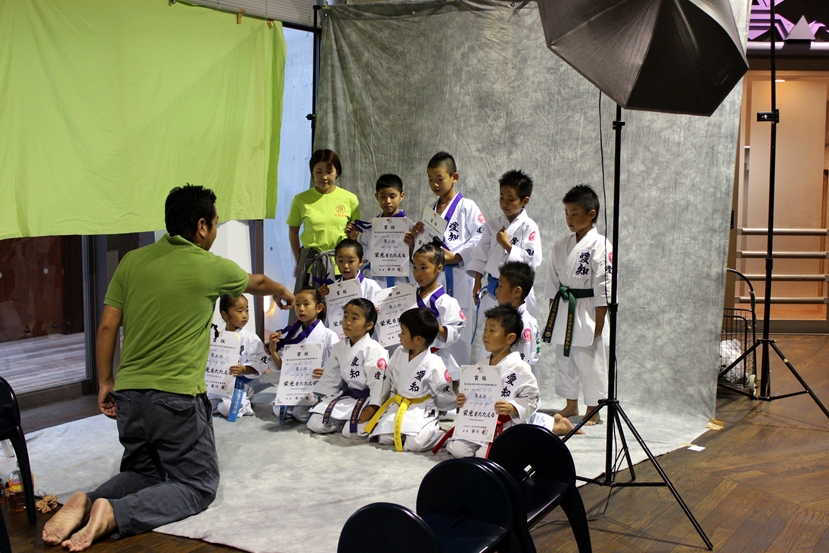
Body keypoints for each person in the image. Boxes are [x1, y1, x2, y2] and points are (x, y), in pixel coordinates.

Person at [42, 185, 294, 551]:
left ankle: (87, 502)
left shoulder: (132, 261)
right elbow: (256, 282)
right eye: (216, 223)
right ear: (202, 226)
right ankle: (113, 513)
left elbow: (107, 327)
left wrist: (106, 382)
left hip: (130, 397)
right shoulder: (210, 266)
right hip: (176, 399)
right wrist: (282, 290)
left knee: (143, 472)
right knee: (197, 486)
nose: (216, 231)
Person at [542, 184, 611, 426]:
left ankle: (593, 407)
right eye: (566, 213)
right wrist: (553, 312)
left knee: (589, 359)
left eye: (574, 213)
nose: (569, 219)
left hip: (588, 308)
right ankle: (571, 403)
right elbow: (552, 282)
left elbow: (604, 283)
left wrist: (600, 319)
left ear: (591, 214)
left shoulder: (601, 244)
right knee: (565, 357)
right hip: (564, 307)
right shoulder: (561, 245)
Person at [406, 152, 484, 367]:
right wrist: (415, 239)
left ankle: (457, 383)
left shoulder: (467, 206)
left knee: (458, 332)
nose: (435, 184)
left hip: (458, 277)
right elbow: (425, 249)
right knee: (431, 328)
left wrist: (457, 255)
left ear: (454, 177)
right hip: (434, 280)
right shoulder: (430, 211)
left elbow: (481, 236)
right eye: (430, 179)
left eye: (439, 179)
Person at [445, 305, 539, 459]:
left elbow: (532, 398)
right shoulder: (481, 365)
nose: (486, 335)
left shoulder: (520, 367)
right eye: (485, 330)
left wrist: (512, 408)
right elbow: (470, 392)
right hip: (479, 422)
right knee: (458, 450)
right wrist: (463, 399)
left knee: (486, 455)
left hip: (506, 426)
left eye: (492, 330)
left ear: (510, 338)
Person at [366, 308, 456, 452]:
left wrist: (441, 408)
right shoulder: (399, 352)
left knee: (415, 445)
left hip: (421, 408)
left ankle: (440, 434)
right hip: (400, 404)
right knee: (385, 438)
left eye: (403, 332)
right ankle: (409, 431)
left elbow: (443, 392)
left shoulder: (434, 363)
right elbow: (391, 380)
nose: (399, 335)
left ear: (418, 340)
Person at [306, 299, 390, 438]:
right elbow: (331, 377)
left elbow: (378, 385)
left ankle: (375, 418)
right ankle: (342, 421)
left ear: (369, 325)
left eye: (354, 318)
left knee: (351, 432)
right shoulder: (339, 347)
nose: (347, 322)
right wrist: (323, 398)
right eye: (345, 317)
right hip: (349, 396)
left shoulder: (375, 350)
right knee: (315, 423)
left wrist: (372, 409)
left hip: (368, 399)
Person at [468, 170, 542, 318]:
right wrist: (477, 281)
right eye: (501, 197)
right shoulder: (492, 224)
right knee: (492, 328)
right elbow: (480, 255)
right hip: (493, 290)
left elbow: (531, 260)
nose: (504, 203)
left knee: (516, 328)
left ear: (525, 201)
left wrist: (507, 245)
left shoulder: (529, 226)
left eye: (511, 199)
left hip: (517, 294)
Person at [287, 149, 361, 294]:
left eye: (329, 171)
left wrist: (353, 236)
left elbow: (354, 236)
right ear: (312, 172)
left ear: (337, 172)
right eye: (319, 172)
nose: (324, 177)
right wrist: (299, 261)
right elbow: (293, 232)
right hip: (311, 267)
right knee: (310, 306)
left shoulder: (350, 199)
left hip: (341, 268)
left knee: (341, 307)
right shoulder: (300, 200)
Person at [269, 286, 339, 422]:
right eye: (297, 304)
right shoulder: (292, 334)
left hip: (317, 386)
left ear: (319, 307)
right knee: (279, 410)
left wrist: (326, 372)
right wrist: (273, 350)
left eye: (306, 304)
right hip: (296, 386)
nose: (301, 309)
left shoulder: (329, 335)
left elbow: (338, 366)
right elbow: (284, 367)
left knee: (301, 413)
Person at [408, 240, 465, 380]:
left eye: (423, 268)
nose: (417, 273)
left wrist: (433, 325)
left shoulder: (447, 302)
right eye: (415, 267)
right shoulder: (408, 297)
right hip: (408, 356)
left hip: (435, 358)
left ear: (439, 268)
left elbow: (454, 331)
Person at [208, 294, 270, 418]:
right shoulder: (218, 337)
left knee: (227, 408)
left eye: (247, 310)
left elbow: (261, 363)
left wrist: (244, 369)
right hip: (220, 385)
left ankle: (244, 404)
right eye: (240, 311)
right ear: (225, 315)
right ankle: (222, 404)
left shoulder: (251, 338)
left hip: (241, 386)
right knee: (203, 404)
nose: (245, 315)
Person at [348, 173, 413, 289]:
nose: (387, 201)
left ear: (402, 196)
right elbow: (363, 253)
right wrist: (354, 240)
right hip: (375, 280)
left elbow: (419, 257)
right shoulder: (370, 226)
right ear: (376, 197)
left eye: (392, 196)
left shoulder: (411, 227)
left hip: (402, 280)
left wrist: (412, 246)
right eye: (383, 197)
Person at [319, 239, 381, 338]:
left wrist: (376, 312)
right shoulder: (331, 289)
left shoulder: (371, 286)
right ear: (335, 261)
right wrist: (322, 298)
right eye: (341, 261)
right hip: (339, 339)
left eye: (351, 261)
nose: (345, 266)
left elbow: (381, 317)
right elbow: (328, 318)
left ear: (360, 262)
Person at [494, 261, 541, 377]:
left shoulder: (523, 324)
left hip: (517, 382)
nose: (496, 290)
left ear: (517, 292)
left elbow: (522, 364)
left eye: (500, 286)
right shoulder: (509, 318)